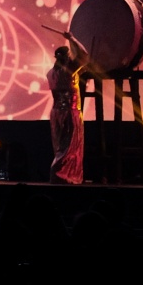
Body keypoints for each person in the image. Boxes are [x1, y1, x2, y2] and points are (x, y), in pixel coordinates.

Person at [47, 28, 89, 184]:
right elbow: (84, 56)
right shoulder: (69, 70)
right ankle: (60, 176)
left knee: (61, 147)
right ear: (67, 57)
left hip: (56, 113)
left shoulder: (51, 73)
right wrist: (72, 38)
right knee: (70, 148)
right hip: (70, 112)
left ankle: (62, 176)